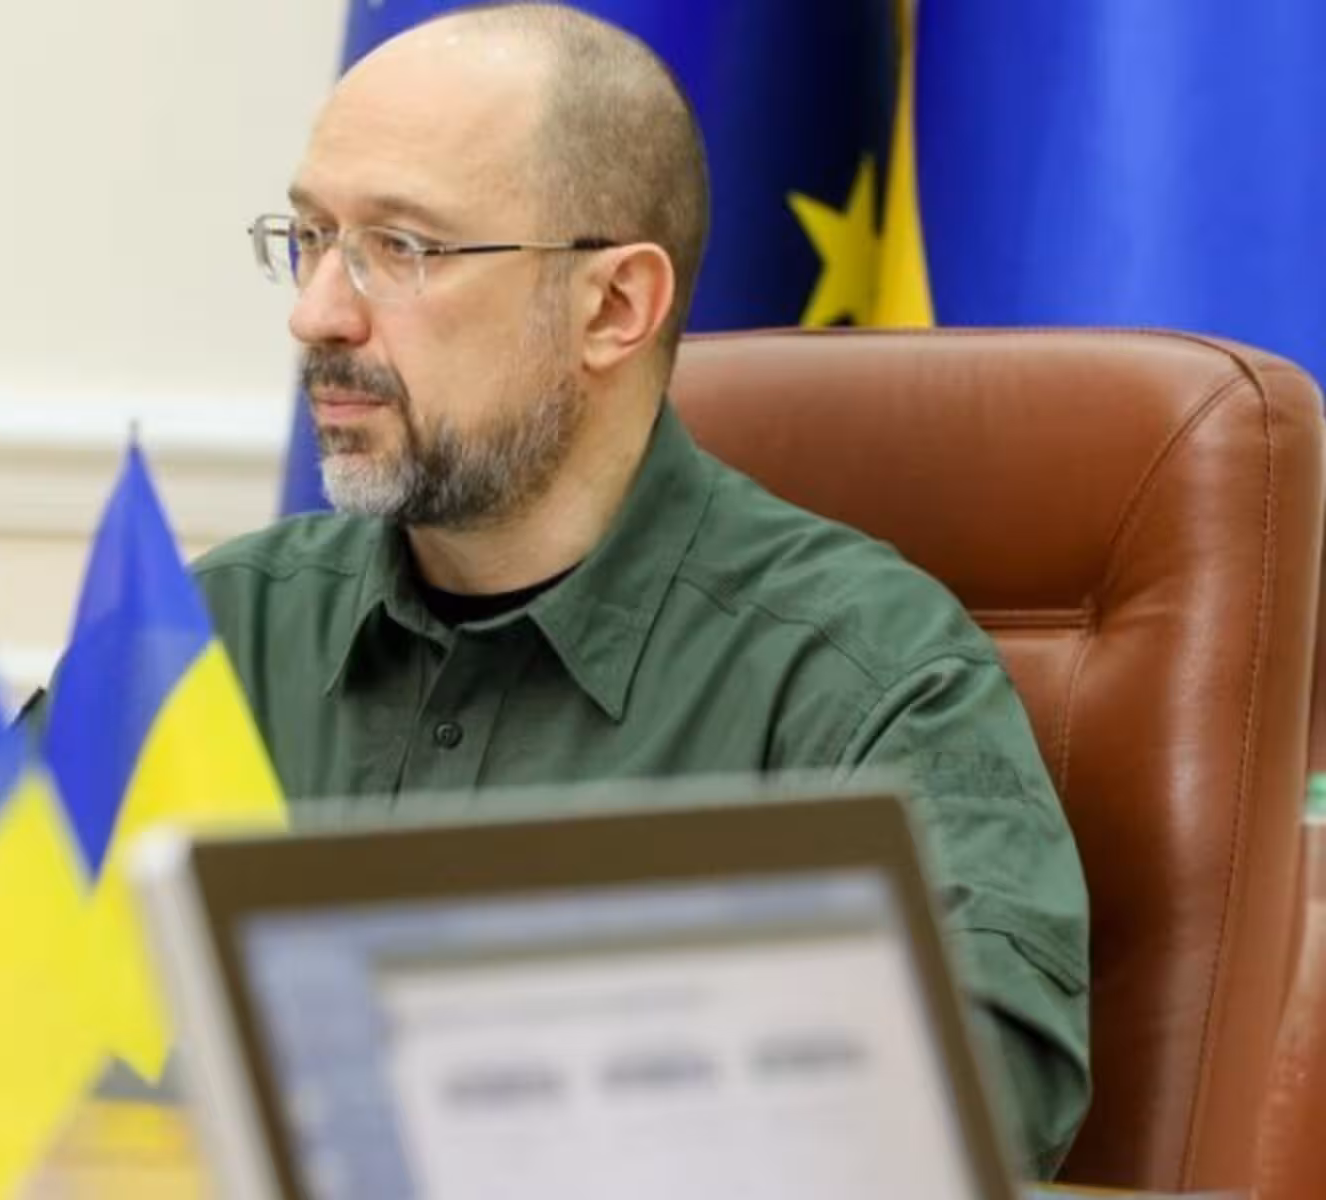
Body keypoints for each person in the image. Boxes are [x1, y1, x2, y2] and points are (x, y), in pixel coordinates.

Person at [191, 2, 1090, 1176]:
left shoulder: (860, 677)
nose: (317, 311)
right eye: (311, 236)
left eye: (403, 248)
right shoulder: (222, 630)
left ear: (614, 307)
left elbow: (975, 1100)